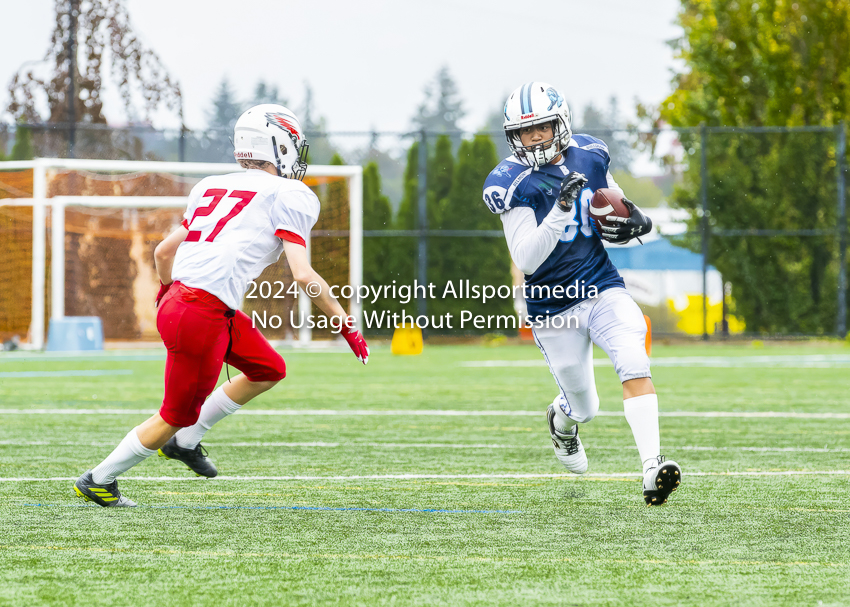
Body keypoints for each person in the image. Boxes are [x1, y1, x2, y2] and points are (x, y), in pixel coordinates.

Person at [73, 104, 369, 507]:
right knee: (173, 414)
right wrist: (345, 324)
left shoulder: (211, 185)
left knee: (268, 369)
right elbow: (303, 275)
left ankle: (186, 441)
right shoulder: (291, 193)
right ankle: (99, 479)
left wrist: (166, 292)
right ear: (278, 145)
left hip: (188, 301)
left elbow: (163, 252)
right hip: (201, 312)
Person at [483, 82, 681, 506]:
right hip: (553, 307)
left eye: (542, 127)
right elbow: (527, 258)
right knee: (585, 407)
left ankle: (652, 467)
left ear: (561, 122)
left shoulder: (590, 154)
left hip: (601, 284)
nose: (534, 138)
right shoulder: (513, 182)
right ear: (512, 136)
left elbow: (613, 209)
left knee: (633, 358)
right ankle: (562, 421)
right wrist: (558, 211)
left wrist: (637, 223)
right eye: (524, 132)